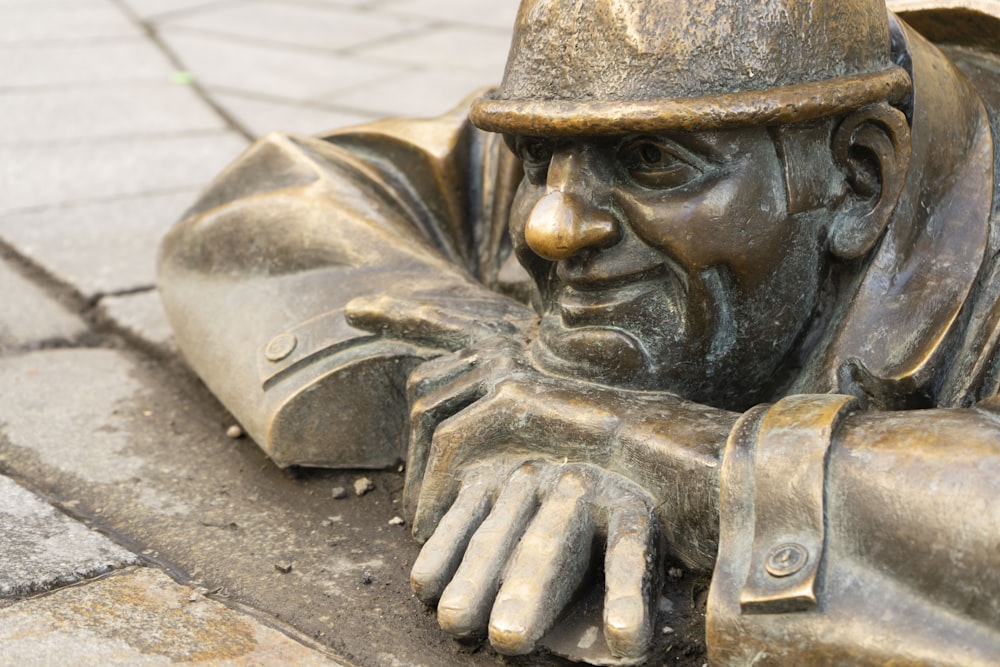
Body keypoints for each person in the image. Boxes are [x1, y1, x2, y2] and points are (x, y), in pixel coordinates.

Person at [158, 0, 1000, 664]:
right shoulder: (584, 123)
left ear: (859, 178)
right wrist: (489, 357)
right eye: (533, 159)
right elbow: (261, 211)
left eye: (653, 164)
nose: (552, 226)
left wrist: (681, 457)